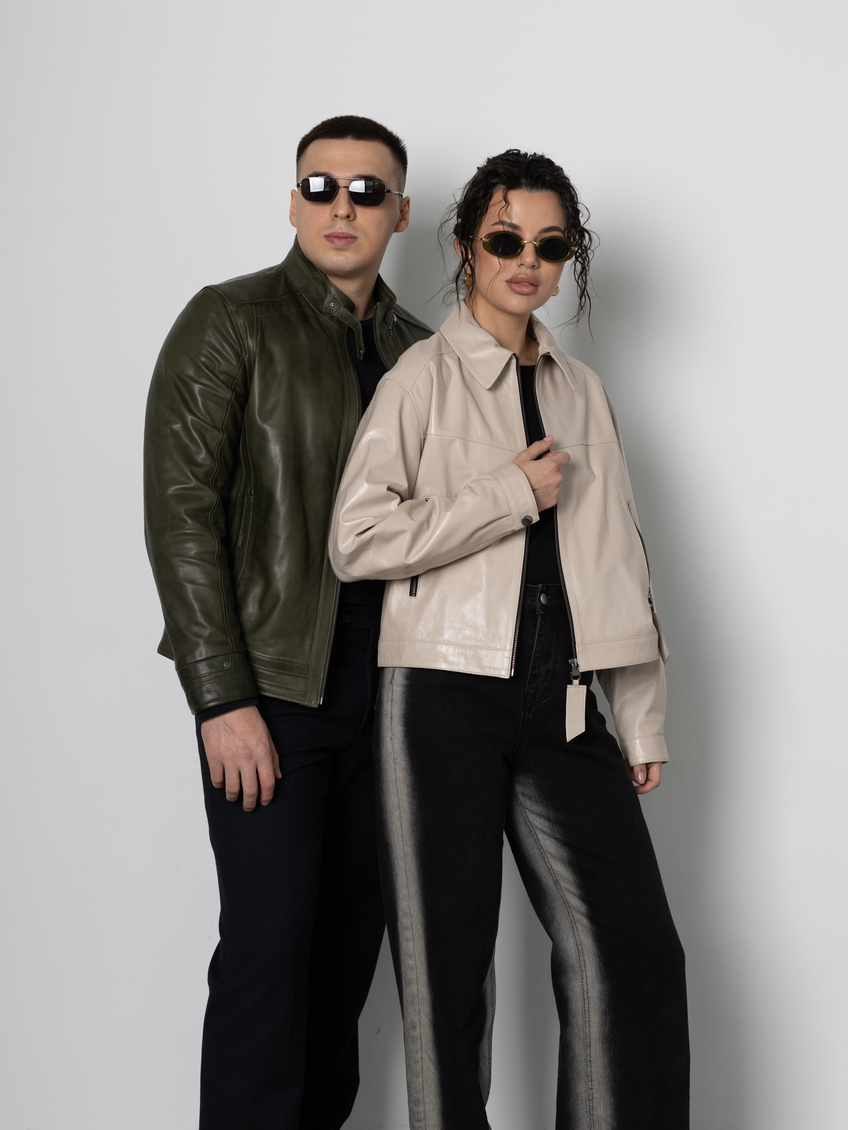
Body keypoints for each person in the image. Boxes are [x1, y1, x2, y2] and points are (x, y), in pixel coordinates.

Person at [330, 149, 690, 1129]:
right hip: (437, 695)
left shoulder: (583, 391)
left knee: (633, 950)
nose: (526, 262)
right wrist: (505, 494)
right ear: (465, 248)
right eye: (504, 240)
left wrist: (638, 714)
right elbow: (355, 539)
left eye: (549, 246)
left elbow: (618, 553)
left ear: (568, 259)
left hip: (562, 701)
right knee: (446, 974)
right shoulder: (419, 379)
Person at [143, 115, 431, 1130]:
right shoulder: (230, 320)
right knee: (269, 950)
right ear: (294, 199)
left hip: (391, 701)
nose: (341, 207)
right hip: (271, 692)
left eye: (366, 190)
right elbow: (181, 516)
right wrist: (221, 699)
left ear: (400, 212)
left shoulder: (420, 352)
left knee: (346, 956)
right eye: (321, 186)